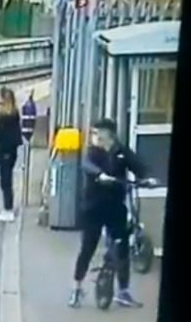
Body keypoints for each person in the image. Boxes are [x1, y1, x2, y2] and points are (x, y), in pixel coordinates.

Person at [68, 119, 158, 309]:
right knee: (88, 248)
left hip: (115, 207)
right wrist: (99, 174)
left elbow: (138, 165)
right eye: (94, 133)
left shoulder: (121, 152)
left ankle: (123, 292)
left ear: (109, 134)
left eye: (98, 133)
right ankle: (76, 288)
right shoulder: (93, 152)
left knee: (122, 247)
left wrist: (147, 177)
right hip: (93, 208)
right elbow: (87, 165)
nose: (95, 136)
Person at [0, 87, 23, 223]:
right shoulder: (14, 114)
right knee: (6, 180)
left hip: (5, 152)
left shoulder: (5, 117)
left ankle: (8, 209)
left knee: (5, 181)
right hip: (10, 152)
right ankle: (7, 208)